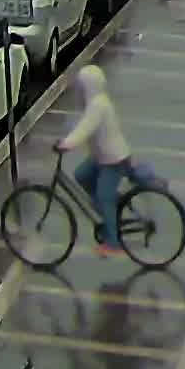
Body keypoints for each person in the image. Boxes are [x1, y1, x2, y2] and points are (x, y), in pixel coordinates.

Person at [59, 64, 131, 248]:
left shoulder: (98, 106)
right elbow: (82, 125)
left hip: (113, 160)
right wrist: (67, 138)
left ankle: (113, 243)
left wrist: (67, 144)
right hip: (101, 157)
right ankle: (110, 207)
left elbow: (85, 128)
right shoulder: (96, 102)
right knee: (82, 175)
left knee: (104, 196)